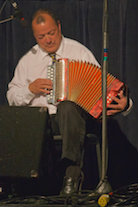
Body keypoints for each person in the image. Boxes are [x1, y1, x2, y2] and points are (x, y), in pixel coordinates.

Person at [7, 9, 133, 195]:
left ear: (59, 26)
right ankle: (24, 189)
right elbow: (11, 98)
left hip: (76, 121)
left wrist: (125, 105)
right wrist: (29, 90)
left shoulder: (78, 51)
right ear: (34, 35)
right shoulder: (28, 61)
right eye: (41, 36)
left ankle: (71, 176)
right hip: (40, 125)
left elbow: (102, 88)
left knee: (67, 106)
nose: (48, 40)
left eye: (51, 33)